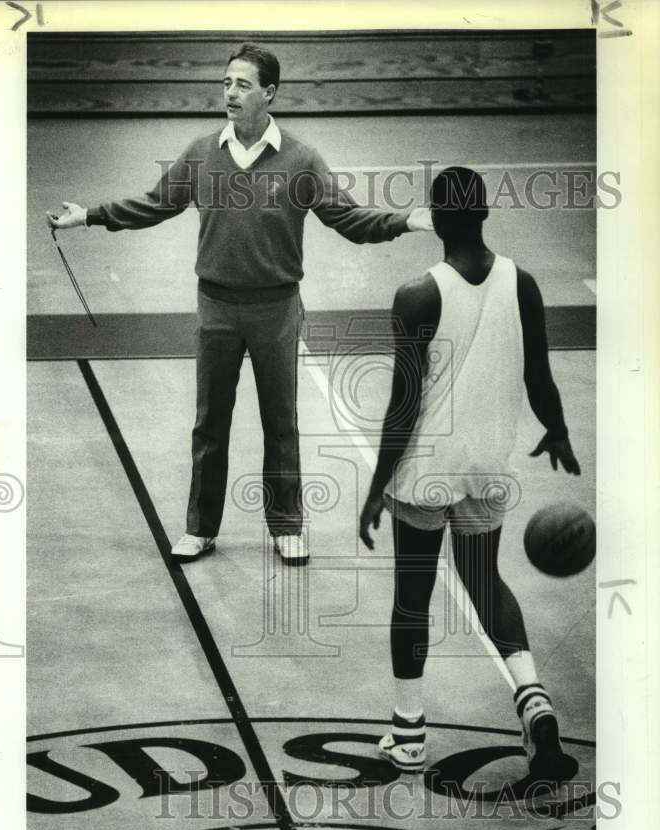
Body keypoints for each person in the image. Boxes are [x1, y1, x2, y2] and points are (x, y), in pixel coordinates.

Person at [47, 42, 432, 566]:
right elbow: (155, 204)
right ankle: (201, 528)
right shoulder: (202, 153)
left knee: (281, 422)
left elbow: (348, 219)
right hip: (216, 308)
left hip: (276, 310)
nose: (230, 92)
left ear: (269, 93)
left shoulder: (301, 160)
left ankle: (288, 526)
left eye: (243, 84)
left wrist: (404, 220)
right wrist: (90, 215)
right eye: (227, 83)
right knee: (210, 423)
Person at [359, 165, 581, 782]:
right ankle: (534, 703)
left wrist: (378, 488)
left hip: (428, 470)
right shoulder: (523, 283)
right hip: (489, 463)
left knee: (413, 596)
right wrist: (556, 431)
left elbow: (403, 406)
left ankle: (408, 734)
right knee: (486, 584)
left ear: (435, 218)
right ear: (483, 213)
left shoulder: (417, 294)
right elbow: (539, 375)